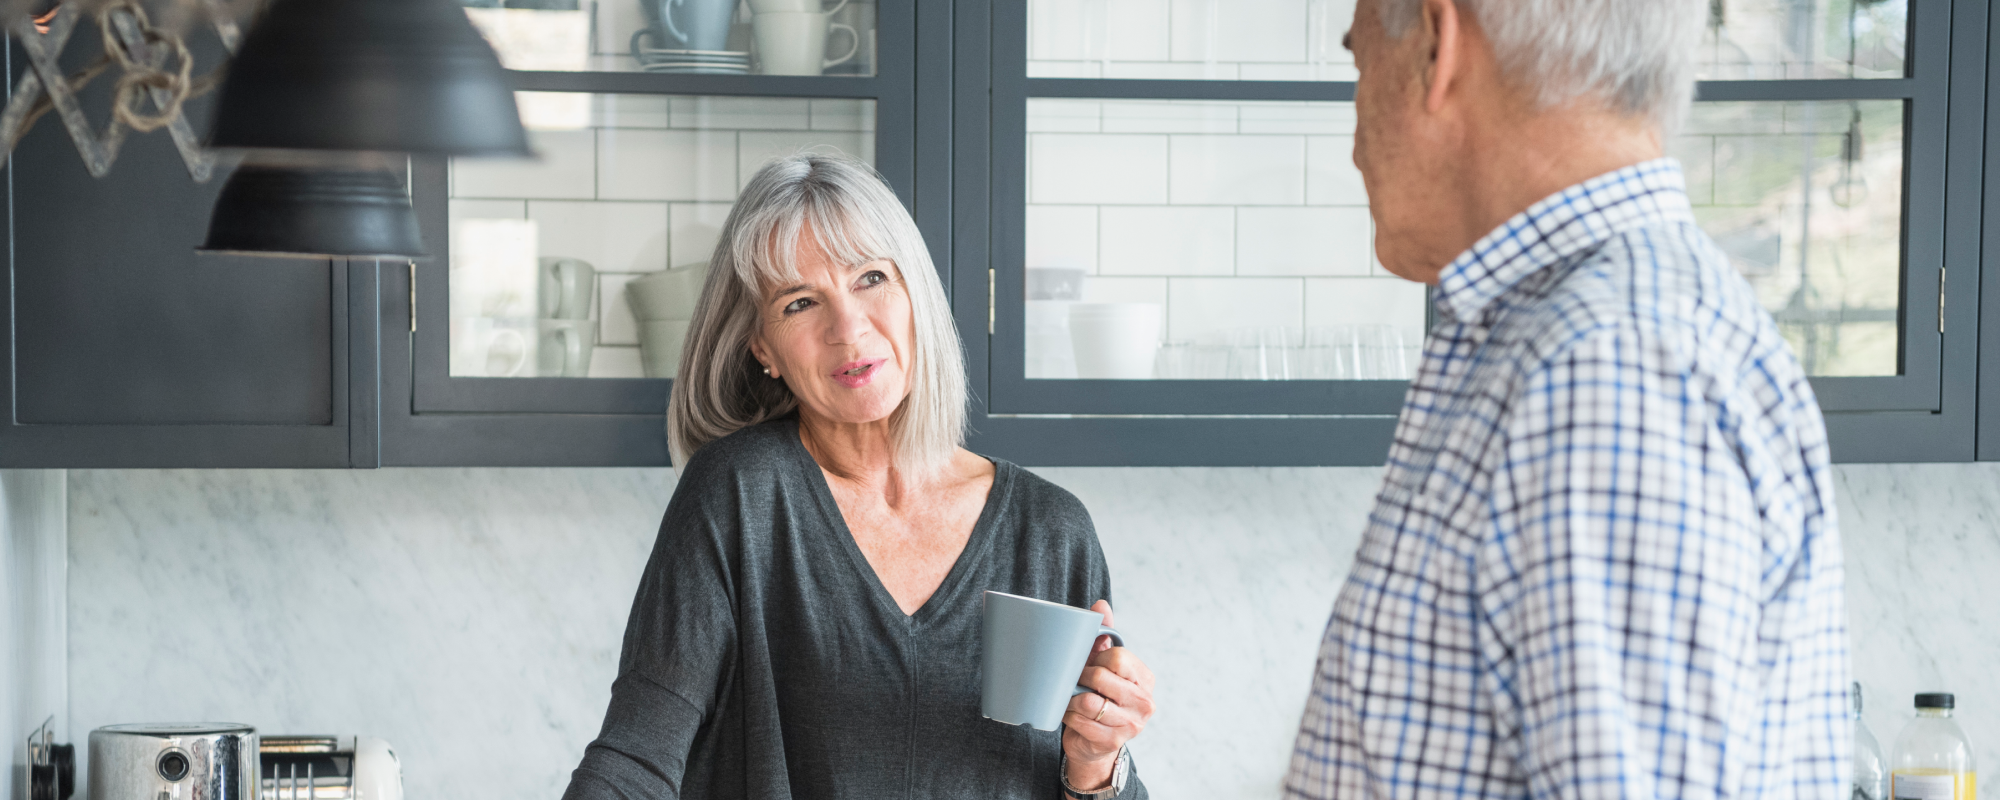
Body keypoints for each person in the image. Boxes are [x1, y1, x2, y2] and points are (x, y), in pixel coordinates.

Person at [1285, 1, 1848, 799]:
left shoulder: (1604, 372)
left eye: (1359, 61)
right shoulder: (1588, 339)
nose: (1352, 134)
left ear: (1438, 50)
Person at [561, 154, 1154, 800]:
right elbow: (633, 762)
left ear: (915, 295)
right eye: (800, 303)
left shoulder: (1050, 533)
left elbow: (1081, 777)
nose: (848, 329)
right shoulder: (739, 498)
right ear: (763, 348)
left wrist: (1097, 763)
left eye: (870, 277)